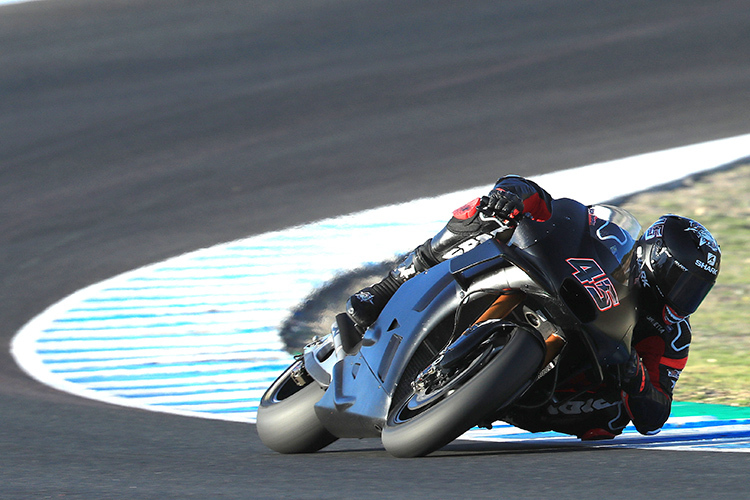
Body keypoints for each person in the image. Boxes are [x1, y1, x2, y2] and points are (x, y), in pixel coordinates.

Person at [346, 175, 721, 440]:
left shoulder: (672, 336)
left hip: (573, 377)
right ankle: (385, 289)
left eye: (694, 291)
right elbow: (554, 208)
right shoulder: (610, 236)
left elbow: (655, 416)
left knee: (610, 419)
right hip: (551, 286)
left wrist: (635, 375)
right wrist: (512, 195)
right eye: (679, 280)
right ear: (652, 258)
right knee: (483, 211)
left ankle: (499, 395)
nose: (682, 296)